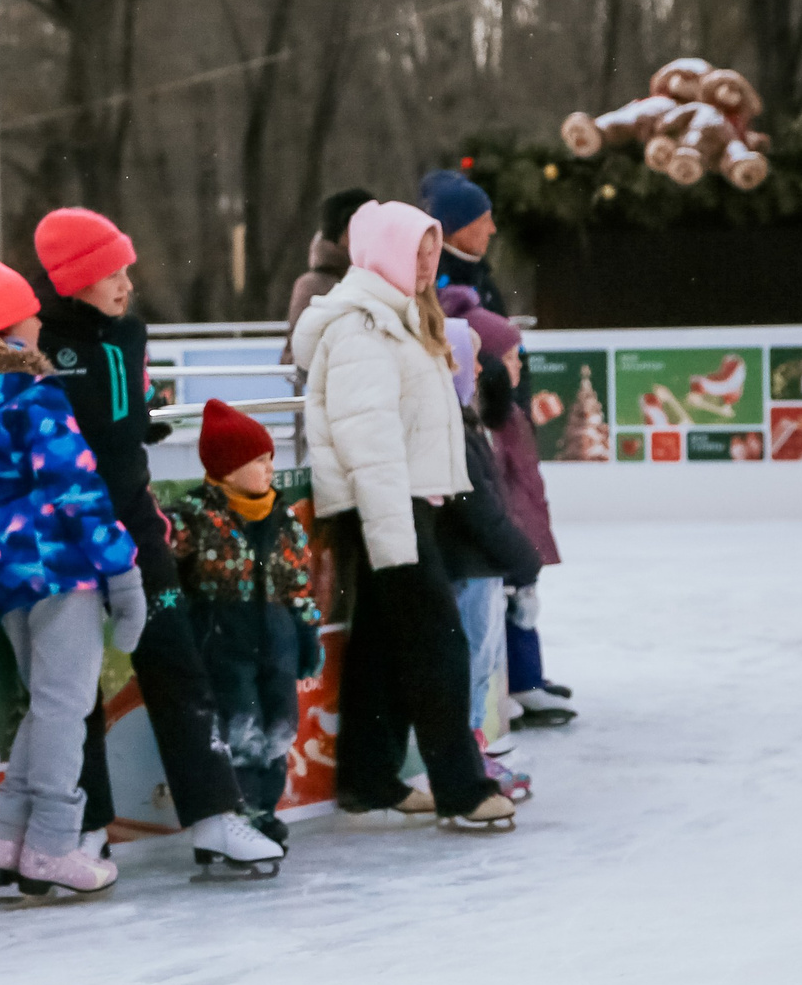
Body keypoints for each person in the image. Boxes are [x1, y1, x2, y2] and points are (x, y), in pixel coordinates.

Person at [31, 210, 283, 878]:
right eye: (112, 270)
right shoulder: (42, 342)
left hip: (137, 525)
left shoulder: (133, 333)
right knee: (74, 682)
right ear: (77, 277)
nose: (126, 282)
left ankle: (213, 815)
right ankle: (88, 826)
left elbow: (125, 418)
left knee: (177, 659)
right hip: (69, 531)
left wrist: (137, 439)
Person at [0, 245, 141, 901]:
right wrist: (124, 575)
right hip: (57, 560)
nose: (42, 325)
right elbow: (77, 487)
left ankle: (4, 844)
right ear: (14, 329)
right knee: (64, 708)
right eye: (33, 318)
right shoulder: (34, 396)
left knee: (44, 707)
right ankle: (50, 844)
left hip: (1, 566)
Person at [290, 199, 513, 830]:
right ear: (383, 254)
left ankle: (368, 777)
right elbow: (371, 441)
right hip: (389, 507)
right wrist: (394, 534)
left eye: (431, 247)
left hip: (413, 501)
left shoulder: (401, 316)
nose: (427, 261)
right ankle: (461, 787)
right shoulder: (364, 329)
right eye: (415, 249)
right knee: (438, 643)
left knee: (384, 648)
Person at [161, 400, 320, 842]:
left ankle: (264, 808)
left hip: (278, 641)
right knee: (240, 730)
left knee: (279, 728)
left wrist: (307, 633)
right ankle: (238, 813)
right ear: (227, 470)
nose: (270, 469)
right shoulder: (195, 515)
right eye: (258, 461)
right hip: (225, 643)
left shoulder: (282, 517)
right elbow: (171, 574)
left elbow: (299, 582)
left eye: (271, 458)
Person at [440, 286, 574, 726]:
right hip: (489, 553)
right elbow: (485, 500)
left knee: (505, 625)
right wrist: (519, 549)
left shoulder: (503, 419)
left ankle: (521, 685)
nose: (519, 366)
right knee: (478, 653)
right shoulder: (469, 430)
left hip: (506, 545)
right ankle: (505, 702)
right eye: (511, 358)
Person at [437, 321, 539, 803]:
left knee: (484, 660)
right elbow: (477, 506)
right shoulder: (452, 426)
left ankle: (474, 744)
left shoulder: (466, 419)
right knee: (474, 660)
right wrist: (521, 554)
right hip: (469, 566)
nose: (482, 369)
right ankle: (468, 750)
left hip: (482, 565)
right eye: (473, 358)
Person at [283, 188, 374, 363]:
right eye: (365, 225)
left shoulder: (377, 274)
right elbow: (295, 354)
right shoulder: (312, 285)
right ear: (346, 231)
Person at [423, 169, 503, 313]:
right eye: (484, 220)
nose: (492, 229)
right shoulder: (432, 278)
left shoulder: (480, 274)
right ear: (459, 227)